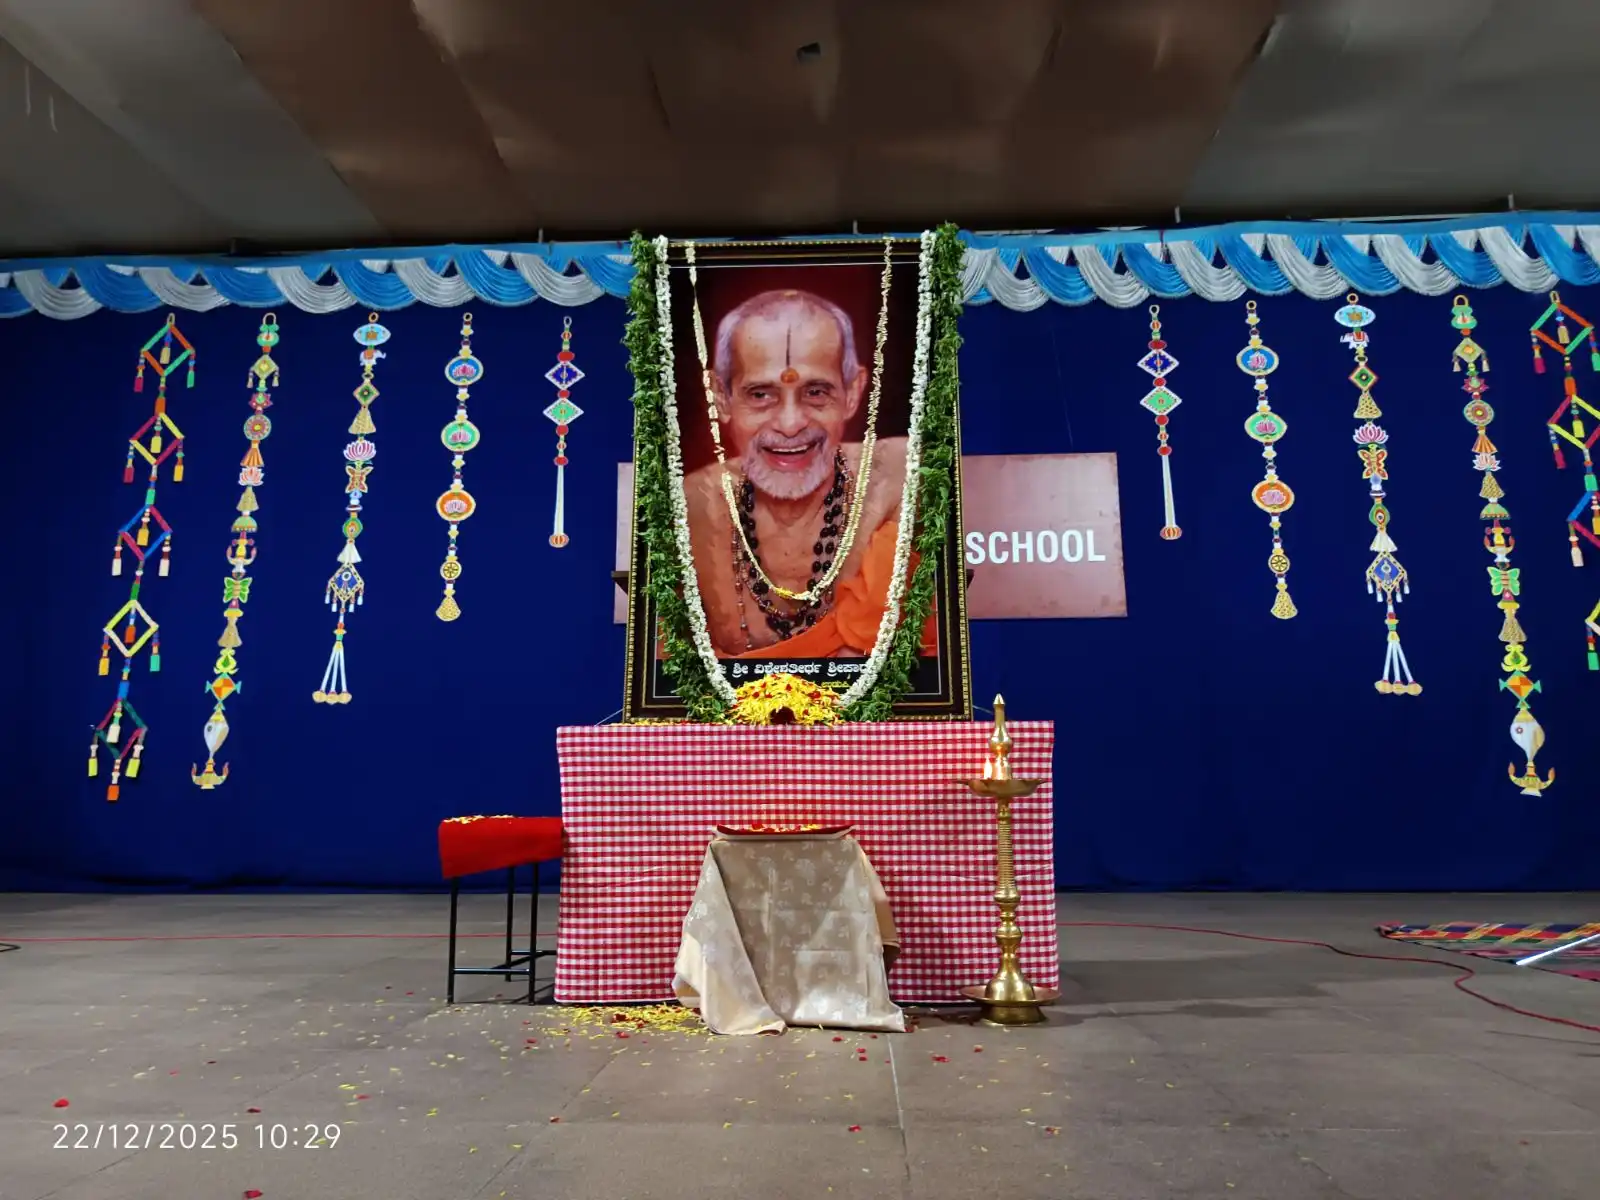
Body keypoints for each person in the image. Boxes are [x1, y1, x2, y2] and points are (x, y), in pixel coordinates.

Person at [682, 288, 936, 659]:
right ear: (721, 397)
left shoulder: (901, 479)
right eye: (760, 394)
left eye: (816, 392)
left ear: (852, 392)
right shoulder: (692, 506)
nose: (789, 424)